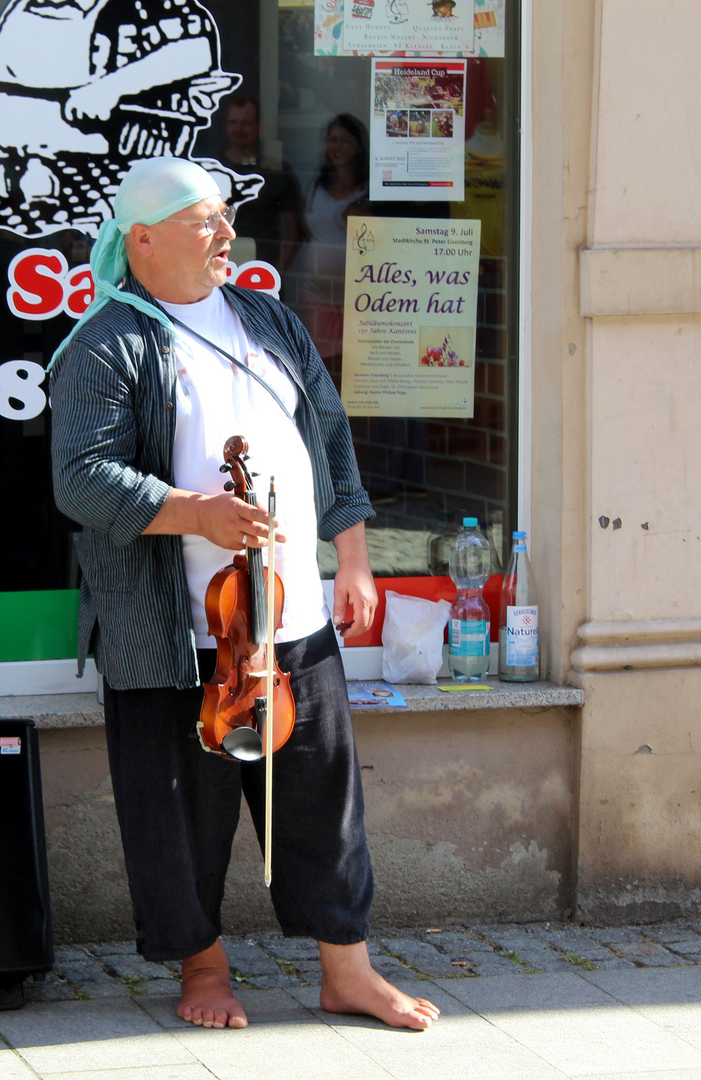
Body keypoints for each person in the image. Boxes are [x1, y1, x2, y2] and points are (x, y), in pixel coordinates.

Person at [48, 156, 439, 1032]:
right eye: (202, 221)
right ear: (140, 238)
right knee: (181, 814)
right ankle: (204, 969)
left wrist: (354, 556)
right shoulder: (103, 344)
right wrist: (193, 512)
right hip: (177, 631)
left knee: (321, 799)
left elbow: (326, 435)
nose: (226, 234)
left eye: (225, 217)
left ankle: (348, 970)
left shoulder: (266, 318)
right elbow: (80, 478)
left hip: (292, 613)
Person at [290, 114, 370, 376]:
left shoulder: (371, 190)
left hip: (359, 302)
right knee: (322, 372)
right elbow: (302, 233)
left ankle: (352, 420)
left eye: (344, 141)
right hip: (316, 297)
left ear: (358, 146)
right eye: (332, 140)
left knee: (356, 373)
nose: (336, 147)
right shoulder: (315, 186)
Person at [219, 96, 304, 274]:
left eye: (246, 123)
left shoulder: (278, 172)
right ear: (226, 126)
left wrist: (274, 276)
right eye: (234, 122)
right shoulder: (210, 169)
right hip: (217, 273)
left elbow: (294, 236)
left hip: (262, 275)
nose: (239, 128)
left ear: (259, 127)